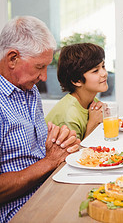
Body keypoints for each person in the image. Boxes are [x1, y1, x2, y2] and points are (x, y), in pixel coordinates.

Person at [0, 16, 80, 222]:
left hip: (46, 188)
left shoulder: (30, 90)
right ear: (12, 58)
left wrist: (59, 142)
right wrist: (50, 161)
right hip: (18, 209)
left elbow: (33, 154)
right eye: (39, 67)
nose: (44, 77)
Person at [45, 43, 108, 139]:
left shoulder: (91, 102)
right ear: (76, 80)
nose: (104, 73)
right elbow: (74, 153)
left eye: (103, 66)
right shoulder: (69, 115)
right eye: (95, 71)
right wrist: (93, 123)